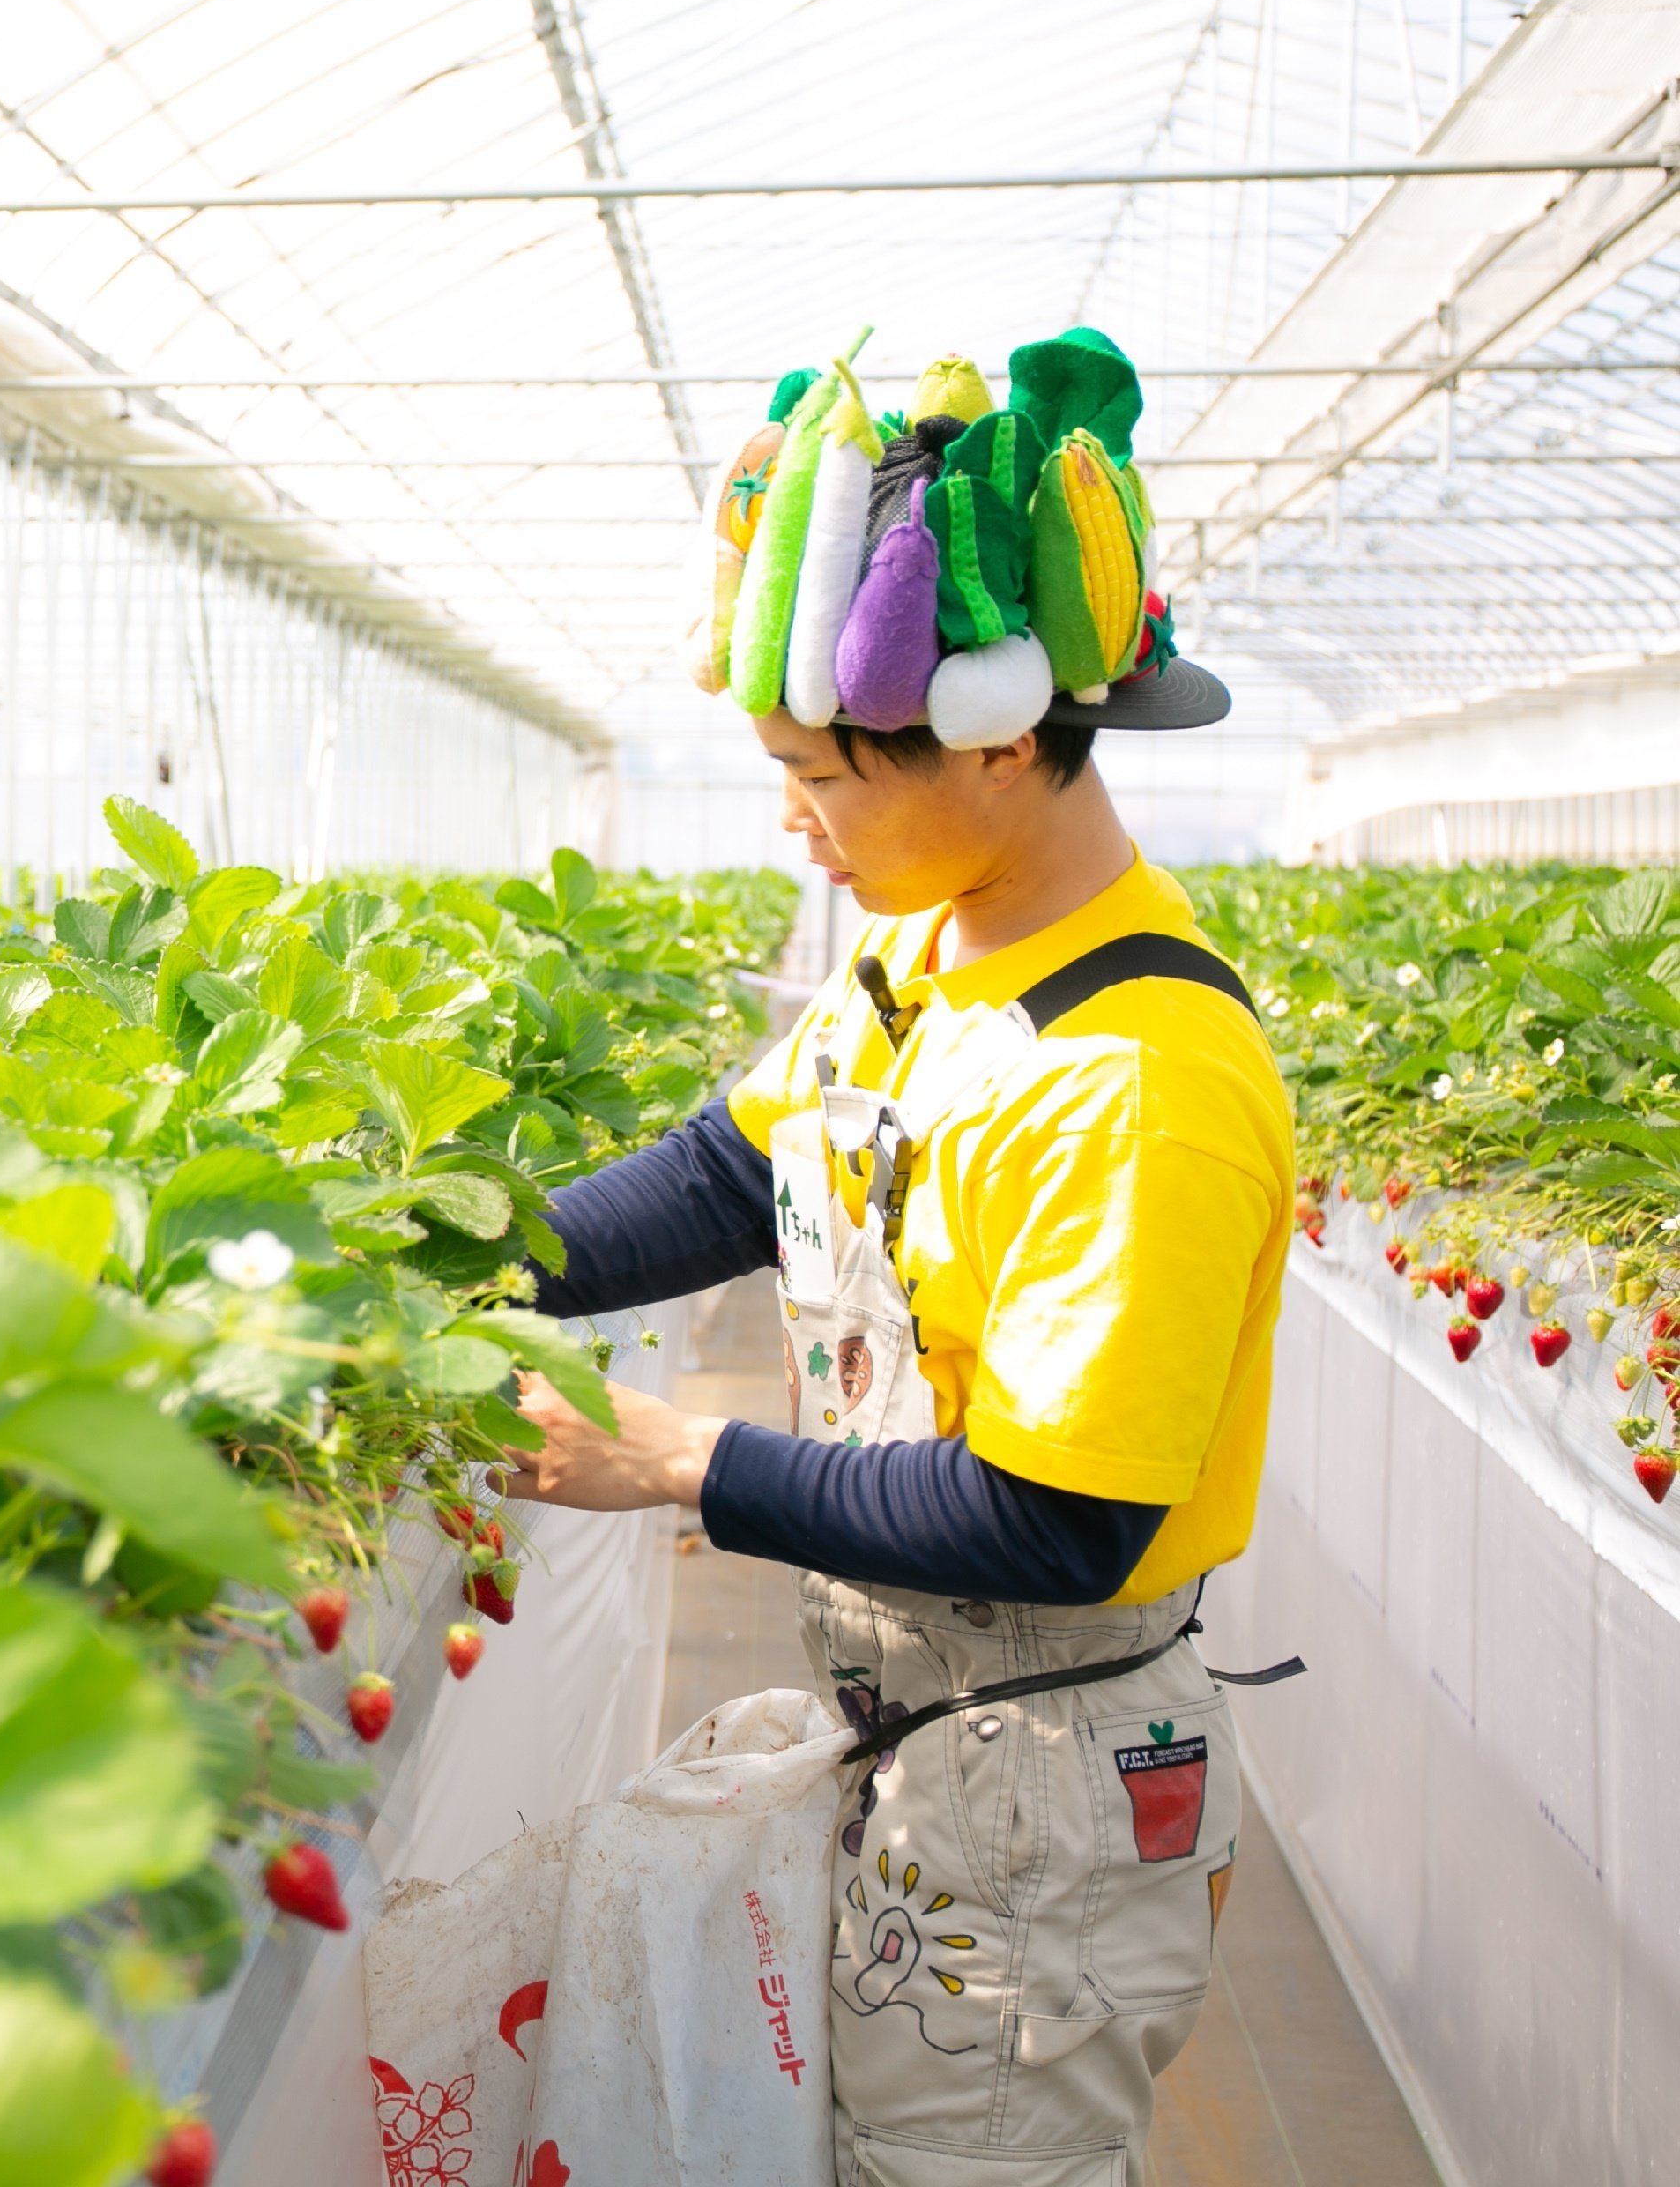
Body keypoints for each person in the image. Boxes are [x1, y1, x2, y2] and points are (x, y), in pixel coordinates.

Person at [499, 333, 1297, 2183]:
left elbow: (1060, 1517)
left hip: (1044, 1786)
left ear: (1004, 736)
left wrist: (679, 1463)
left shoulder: (1137, 1080)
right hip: (938, 1749)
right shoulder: (934, 964)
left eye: (820, 776)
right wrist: (440, 1254)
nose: (795, 819)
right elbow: (725, 1172)